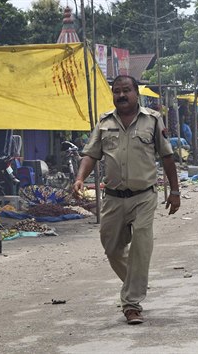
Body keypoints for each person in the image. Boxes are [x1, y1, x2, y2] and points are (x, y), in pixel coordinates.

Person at [72, 75, 180, 325]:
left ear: (136, 93)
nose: (122, 95)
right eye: (117, 91)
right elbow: (91, 154)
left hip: (144, 196)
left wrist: (174, 192)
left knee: (141, 246)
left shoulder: (152, 120)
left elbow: (167, 157)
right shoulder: (104, 122)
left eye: (126, 91)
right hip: (113, 197)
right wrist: (79, 178)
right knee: (112, 248)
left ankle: (131, 303)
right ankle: (135, 280)